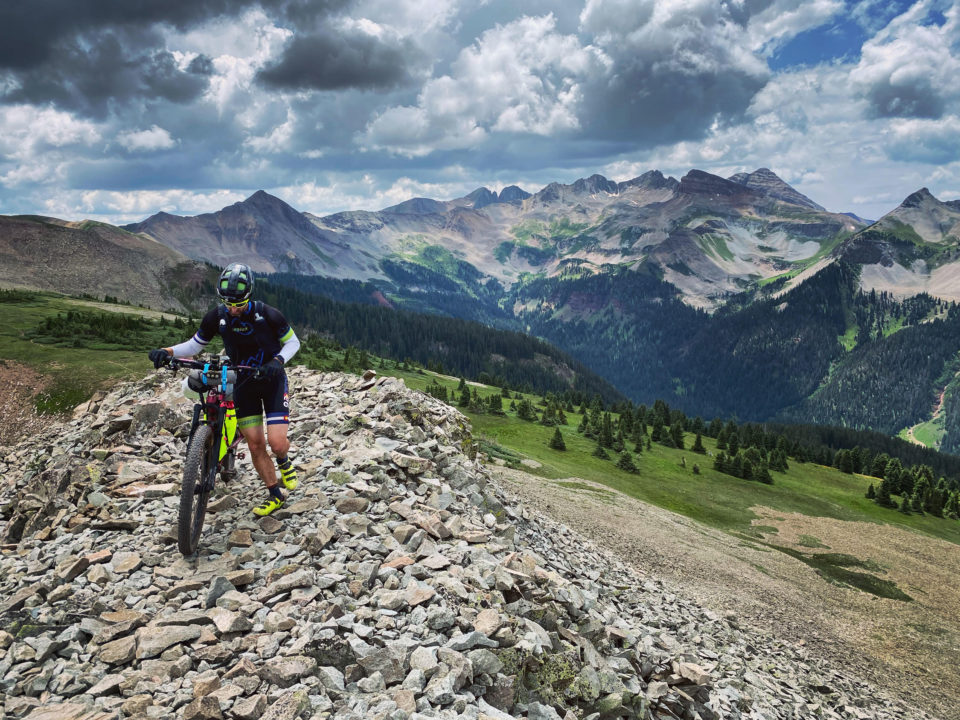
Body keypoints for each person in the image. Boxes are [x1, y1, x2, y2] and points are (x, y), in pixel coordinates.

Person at [149, 263, 301, 516]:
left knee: (276, 443)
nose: (233, 309)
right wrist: (167, 351)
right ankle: (275, 494)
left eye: (239, 304)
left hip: (272, 381)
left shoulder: (268, 314)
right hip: (243, 384)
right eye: (229, 304)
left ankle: (284, 461)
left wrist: (277, 362)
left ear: (249, 296)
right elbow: (195, 345)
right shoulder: (216, 317)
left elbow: (293, 342)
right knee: (254, 445)